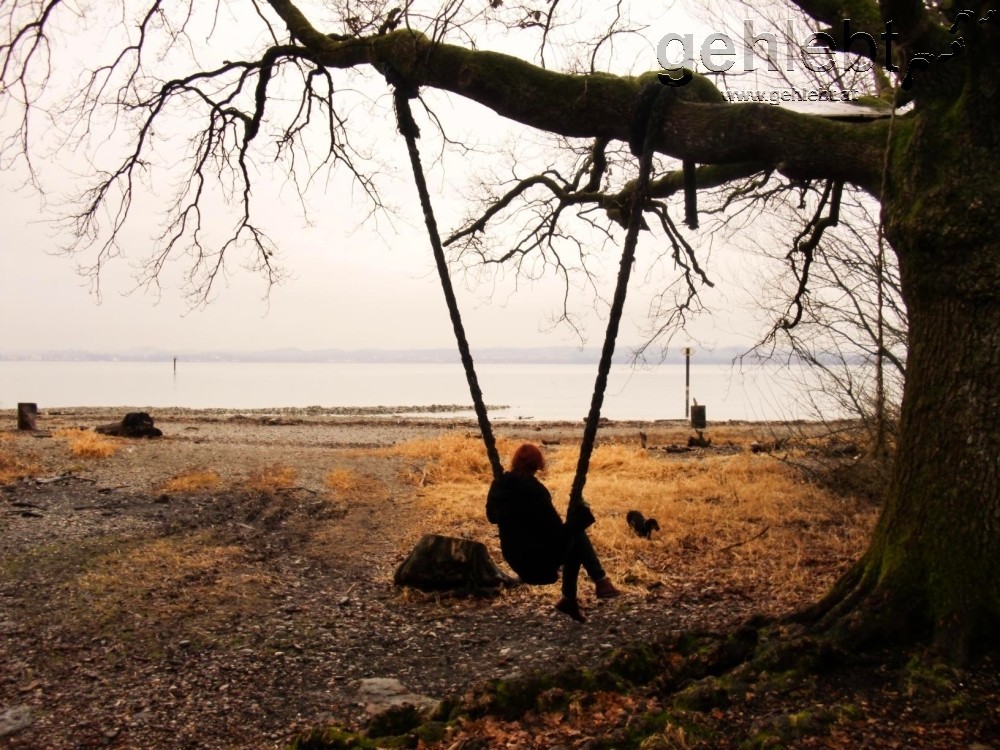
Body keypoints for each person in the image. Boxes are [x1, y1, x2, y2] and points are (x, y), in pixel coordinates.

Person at [486, 443, 620, 622]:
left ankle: (570, 599)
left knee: (573, 544)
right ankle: (600, 580)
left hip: (514, 557)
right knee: (576, 534)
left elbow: (492, 517)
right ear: (538, 466)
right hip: (537, 563)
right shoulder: (536, 492)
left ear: (515, 461)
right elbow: (556, 533)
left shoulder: (500, 484)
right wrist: (582, 516)